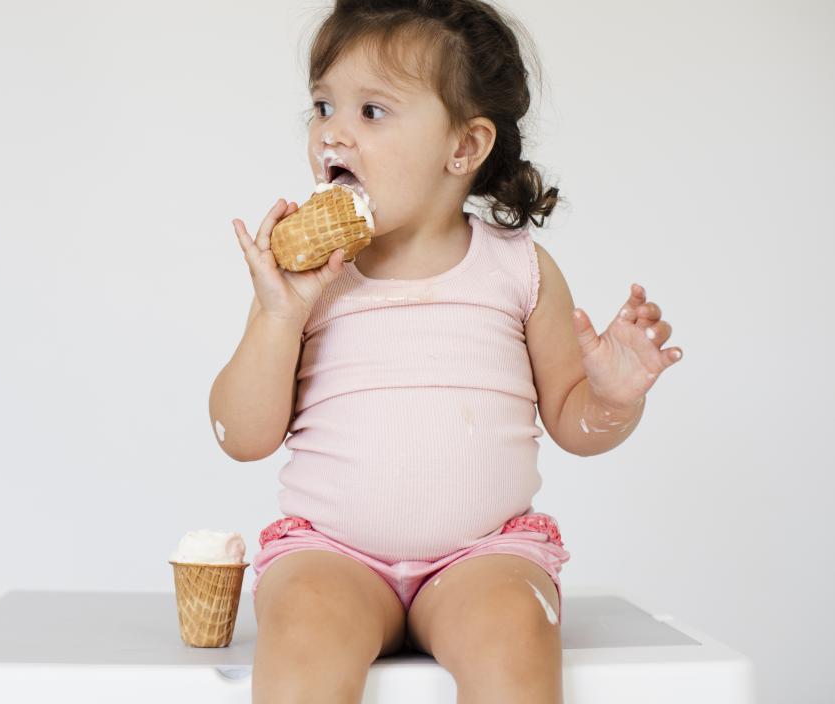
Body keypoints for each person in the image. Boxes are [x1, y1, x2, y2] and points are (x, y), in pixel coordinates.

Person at [209, 1, 683, 702]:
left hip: (483, 554)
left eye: (372, 111)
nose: (332, 131)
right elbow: (241, 436)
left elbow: (573, 424)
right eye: (322, 105)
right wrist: (280, 318)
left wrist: (610, 399)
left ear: (463, 148)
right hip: (333, 552)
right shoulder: (305, 282)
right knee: (303, 630)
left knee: (514, 631)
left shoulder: (519, 270)